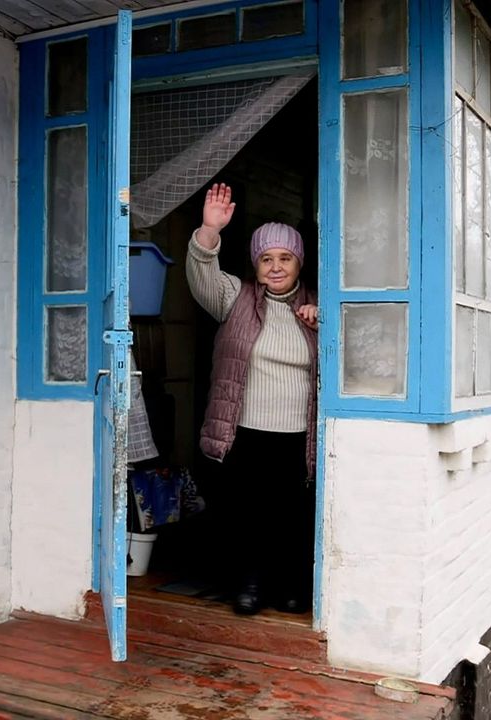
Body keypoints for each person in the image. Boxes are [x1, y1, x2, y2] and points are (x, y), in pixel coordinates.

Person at [185, 182, 318, 616]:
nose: (276, 267)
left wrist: (328, 324)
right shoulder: (234, 298)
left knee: (293, 515)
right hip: (244, 430)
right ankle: (249, 586)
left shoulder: (322, 305)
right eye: (266, 259)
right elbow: (201, 274)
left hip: (299, 433)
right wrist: (209, 230)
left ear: (299, 262)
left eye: (285, 258)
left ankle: (292, 586)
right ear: (255, 264)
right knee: (247, 514)